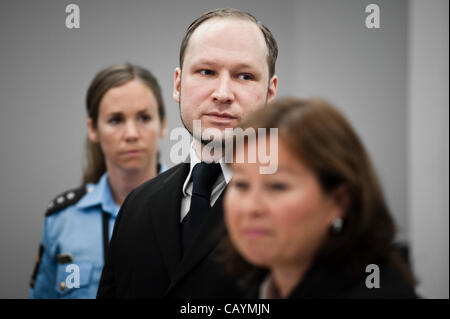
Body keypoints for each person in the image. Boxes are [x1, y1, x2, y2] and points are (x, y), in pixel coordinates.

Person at [97, 8, 278, 298]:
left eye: (244, 76)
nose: (222, 93)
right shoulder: (137, 206)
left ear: (270, 93)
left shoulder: (296, 211)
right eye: (206, 72)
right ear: (178, 84)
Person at [223, 97, 418, 299]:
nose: (251, 207)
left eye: (277, 186)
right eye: (241, 184)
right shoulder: (255, 289)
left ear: (339, 202)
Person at [29, 63, 168, 298]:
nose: (132, 134)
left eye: (144, 118)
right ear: (93, 129)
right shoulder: (62, 219)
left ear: (163, 124)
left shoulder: (194, 209)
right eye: (116, 120)